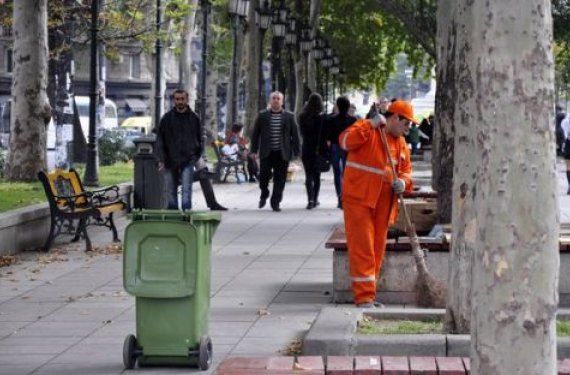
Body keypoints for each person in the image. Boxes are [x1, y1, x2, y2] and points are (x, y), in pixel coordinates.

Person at [339, 100, 417, 308]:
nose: (408, 129)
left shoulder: (401, 144)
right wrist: (370, 124)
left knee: (376, 248)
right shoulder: (370, 130)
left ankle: (369, 294)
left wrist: (403, 182)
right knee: (362, 247)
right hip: (360, 199)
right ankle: (364, 297)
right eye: (406, 123)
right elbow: (345, 141)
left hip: (384, 202)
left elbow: (407, 171)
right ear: (393, 118)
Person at [250, 91, 301, 212]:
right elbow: (255, 134)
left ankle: (275, 202)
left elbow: (295, 135)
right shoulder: (262, 116)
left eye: (278, 98)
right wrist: (253, 150)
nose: (276, 100)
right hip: (266, 152)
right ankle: (264, 192)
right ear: (270, 101)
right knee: (263, 176)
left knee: (280, 179)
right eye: (274, 98)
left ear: (282, 102)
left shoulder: (289, 116)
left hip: (282, 153)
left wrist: (297, 152)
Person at [156, 89, 202, 210]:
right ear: (174, 100)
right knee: (171, 190)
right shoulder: (166, 118)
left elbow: (200, 138)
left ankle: (186, 214)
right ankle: (173, 214)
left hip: (188, 160)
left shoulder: (194, 118)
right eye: (177, 99)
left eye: (182, 99)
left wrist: (195, 156)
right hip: (170, 160)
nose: (180, 102)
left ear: (187, 100)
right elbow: (160, 139)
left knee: (187, 189)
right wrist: (161, 158)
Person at [326, 96, 357, 209]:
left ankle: (340, 195)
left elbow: (328, 135)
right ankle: (346, 196)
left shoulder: (332, 119)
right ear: (348, 106)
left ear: (337, 106)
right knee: (346, 173)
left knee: (337, 173)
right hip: (348, 147)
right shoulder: (353, 120)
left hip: (335, 147)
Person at [299, 93, 326, 209]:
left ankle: (309, 199)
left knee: (308, 175)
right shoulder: (322, 117)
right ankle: (315, 199)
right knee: (317, 176)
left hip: (306, 148)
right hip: (318, 149)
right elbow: (323, 135)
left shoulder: (302, 117)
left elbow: (302, 133)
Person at [562, 114, 570, 194]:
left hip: (568, 142)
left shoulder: (567, 118)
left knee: (568, 166)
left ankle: (569, 184)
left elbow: (563, 128)